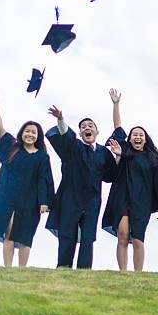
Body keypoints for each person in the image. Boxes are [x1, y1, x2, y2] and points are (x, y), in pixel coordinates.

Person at [0, 90, 53, 267]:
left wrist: (44, 201)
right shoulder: (13, 148)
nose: (30, 134)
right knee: (9, 232)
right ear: (22, 133)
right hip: (10, 197)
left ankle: (22, 270)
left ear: (38, 137)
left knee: (25, 236)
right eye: (27, 131)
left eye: (34, 132)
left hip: (31, 200)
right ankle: (8, 269)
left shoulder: (42, 157)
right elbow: (0, 128)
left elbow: (44, 180)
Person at [102, 89, 158, 271]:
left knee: (138, 237)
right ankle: (123, 272)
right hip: (122, 196)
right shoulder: (124, 151)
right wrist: (116, 105)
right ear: (130, 139)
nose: (137, 137)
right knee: (122, 234)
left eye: (141, 135)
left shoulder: (152, 158)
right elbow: (118, 127)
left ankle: (138, 273)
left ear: (145, 139)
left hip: (143, 201)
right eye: (134, 135)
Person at [45, 104, 117, 269]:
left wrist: (118, 155)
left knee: (88, 237)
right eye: (83, 127)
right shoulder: (73, 147)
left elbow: (112, 176)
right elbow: (65, 135)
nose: (87, 128)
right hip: (71, 197)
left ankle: (84, 270)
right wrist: (61, 119)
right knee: (67, 234)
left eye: (90, 126)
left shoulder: (103, 153)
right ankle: (63, 267)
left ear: (97, 132)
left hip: (92, 200)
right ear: (80, 133)